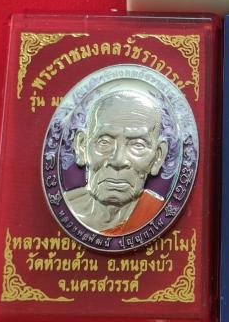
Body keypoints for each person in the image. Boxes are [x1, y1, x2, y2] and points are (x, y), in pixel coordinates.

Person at [65, 86, 168, 235]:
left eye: (137, 145)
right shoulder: (67, 205)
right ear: (82, 147)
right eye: (104, 142)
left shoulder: (157, 213)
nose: (118, 160)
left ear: (158, 157)